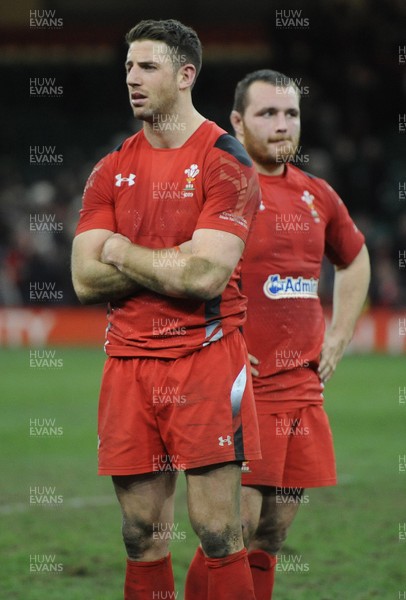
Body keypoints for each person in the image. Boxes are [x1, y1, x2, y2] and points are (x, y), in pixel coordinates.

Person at [71, 20, 262, 600]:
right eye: (128, 67)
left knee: (217, 531)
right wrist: (170, 262)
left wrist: (123, 251)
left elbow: (206, 275)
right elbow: (83, 279)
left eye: (147, 67)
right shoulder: (110, 168)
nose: (132, 79)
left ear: (185, 76)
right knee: (139, 534)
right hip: (127, 362)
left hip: (205, 359)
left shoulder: (226, 161)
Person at [185, 69, 371, 599]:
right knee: (233, 529)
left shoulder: (316, 194)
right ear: (238, 122)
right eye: (268, 114)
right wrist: (219, 341)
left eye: (291, 114)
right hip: (239, 386)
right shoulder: (217, 186)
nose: (283, 124)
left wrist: (338, 337)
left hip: (302, 388)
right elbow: (181, 268)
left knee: (274, 528)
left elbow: (355, 260)